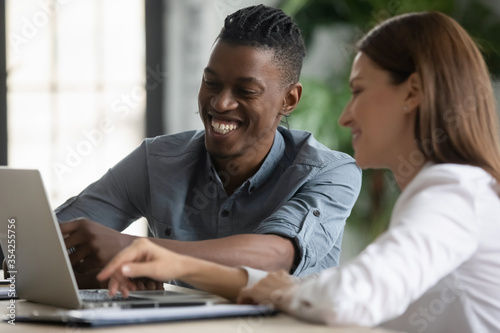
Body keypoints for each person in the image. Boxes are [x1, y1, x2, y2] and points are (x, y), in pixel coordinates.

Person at [97, 11, 500, 333]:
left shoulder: (452, 192)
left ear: (411, 92)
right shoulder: (444, 192)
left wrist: (173, 262)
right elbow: (326, 294)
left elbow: (348, 297)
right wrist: (179, 266)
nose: (345, 116)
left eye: (358, 91)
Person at [55, 4, 362, 288]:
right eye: (211, 83)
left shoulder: (330, 172)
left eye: (245, 90)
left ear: (289, 99)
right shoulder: (157, 161)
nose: (220, 102)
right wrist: (110, 272)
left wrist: (138, 252)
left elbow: (275, 256)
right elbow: (44, 242)